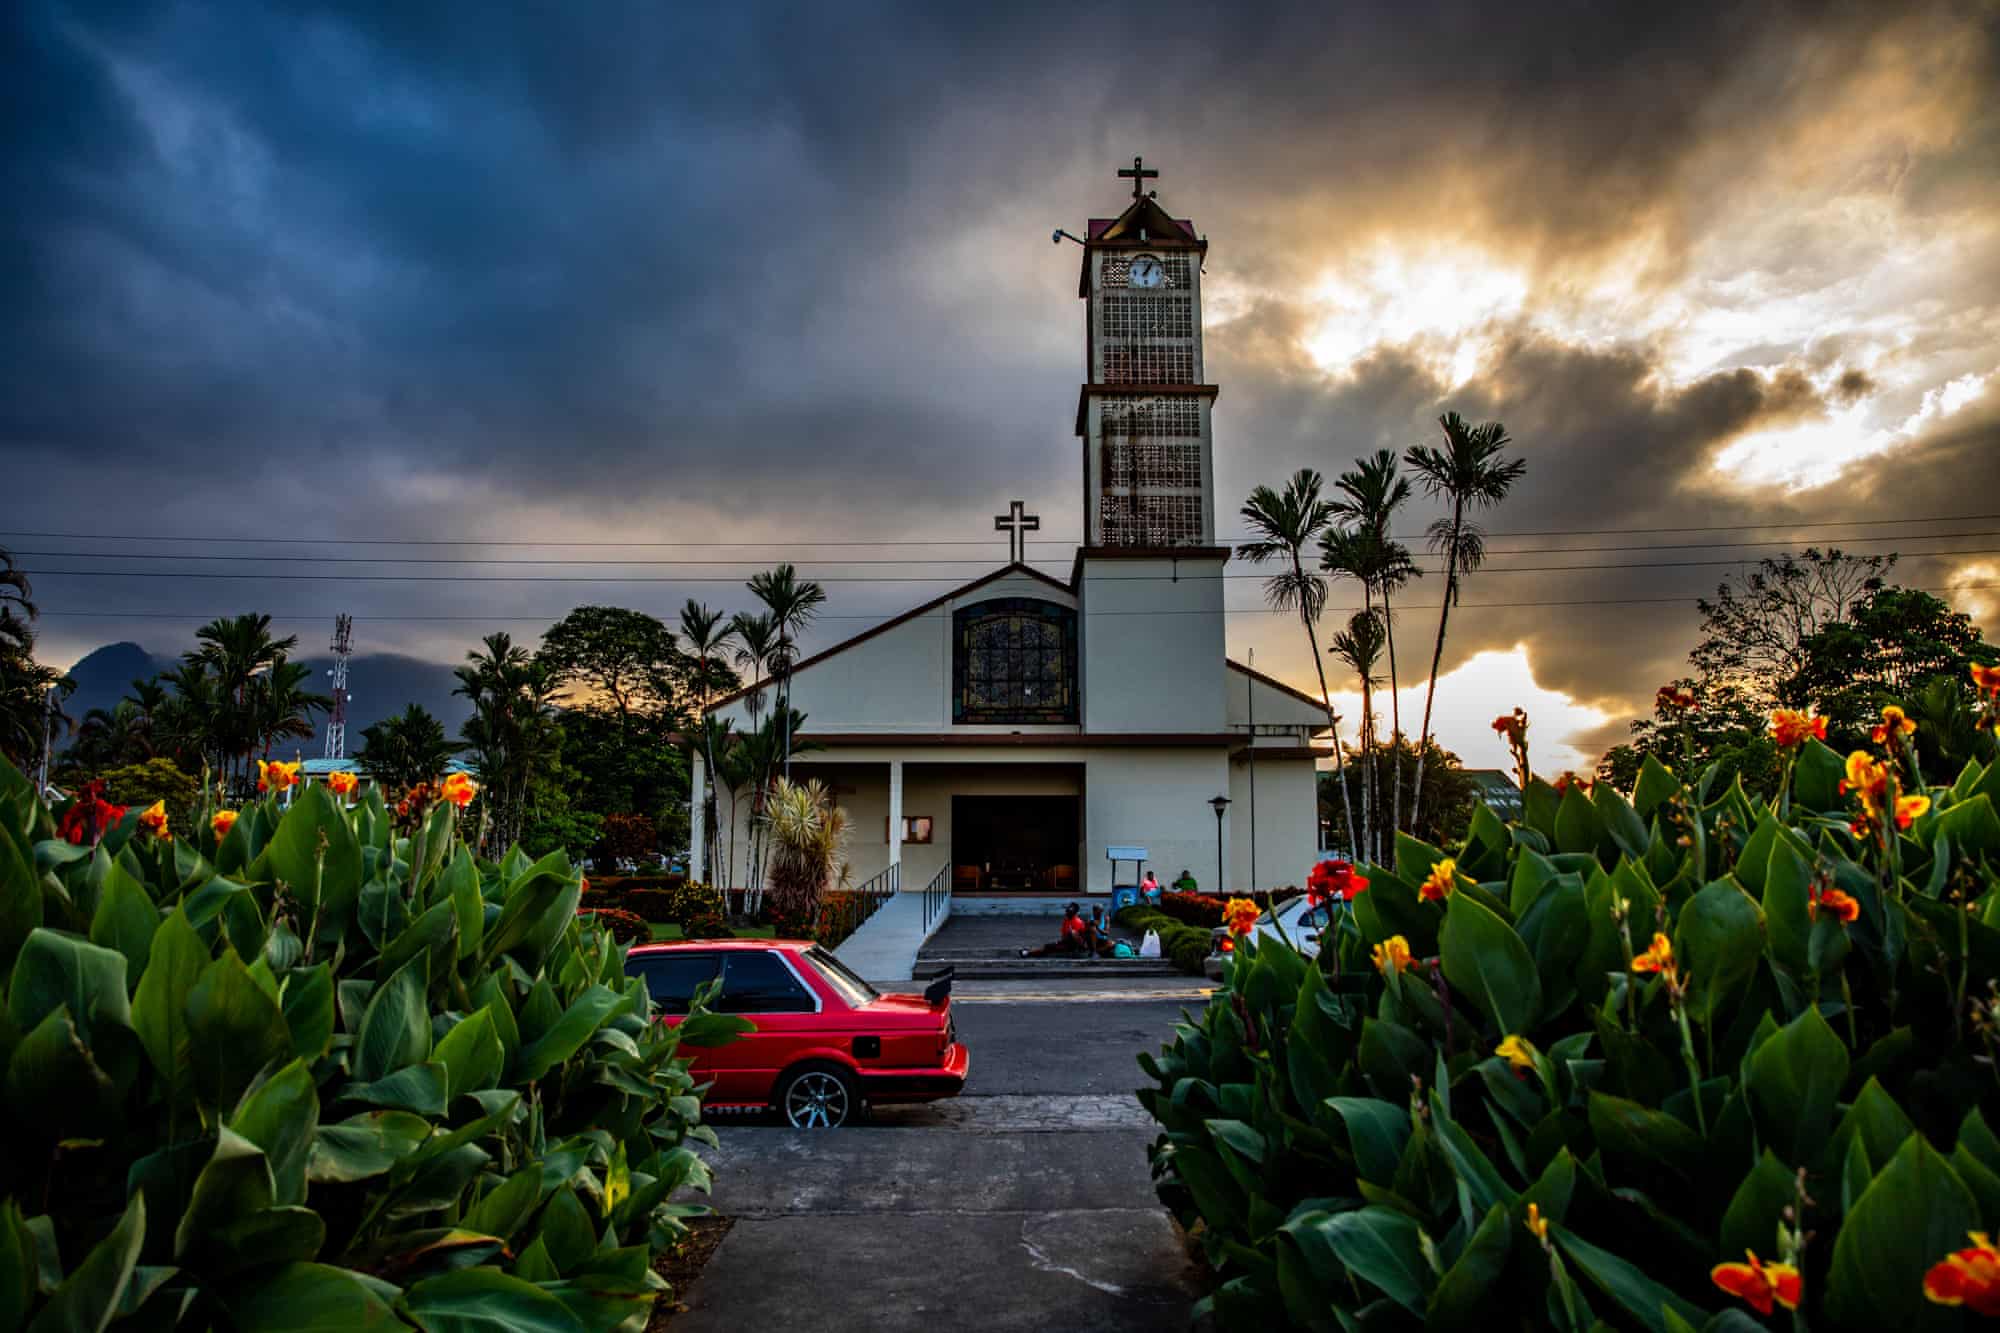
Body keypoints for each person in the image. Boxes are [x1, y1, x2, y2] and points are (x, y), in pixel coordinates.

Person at [1021, 903, 1091, 958]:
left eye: (1068, 911)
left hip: (1072, 946)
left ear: (1073, 913)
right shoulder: (1066, 921)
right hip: (1065, 943)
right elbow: (1063, 936)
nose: (1066, 912)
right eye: (1067, 910)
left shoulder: (1078, 922)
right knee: (1048, 946)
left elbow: (1080, 939)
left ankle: (1028, 953)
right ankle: (1029, 952)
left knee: (1048, 948)